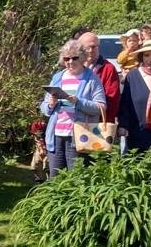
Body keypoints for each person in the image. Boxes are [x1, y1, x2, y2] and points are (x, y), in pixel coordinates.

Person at [39, 40, 105, 175]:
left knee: (76, 177)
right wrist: (51, 104)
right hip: (56, 134)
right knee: (55, 178)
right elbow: (45, 108)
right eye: (66, 58)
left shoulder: (92, 79)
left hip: (79, 135)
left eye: (74, 58)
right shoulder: (57, 78)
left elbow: (101, 107)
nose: (70, 61)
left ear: (82, 58)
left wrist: (78, 102)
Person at [77, 30, 120, 126]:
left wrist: (106, 123)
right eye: (87, 47)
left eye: (94, 47)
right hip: (76, 122)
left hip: (98, 124)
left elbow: (112, 100)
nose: (91, 50)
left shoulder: (108, 68)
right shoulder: (74, 68)